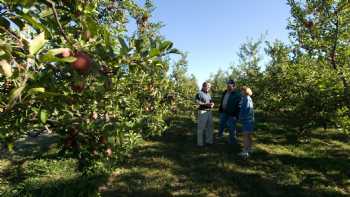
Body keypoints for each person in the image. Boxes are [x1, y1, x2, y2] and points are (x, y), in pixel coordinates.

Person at [218, 79, 241, 145]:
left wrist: (236, 115)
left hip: (232, 114)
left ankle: (232, 141)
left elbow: (239, 106)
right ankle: (220, 135)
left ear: (234, 86)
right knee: (221, 124)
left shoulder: (237, 94)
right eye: (227, 85)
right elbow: (223, 100)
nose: (228, 87)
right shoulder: (225, 92)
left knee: (231, 127)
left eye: (229, 86)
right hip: (224, 111)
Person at [195, 82, 214, 147]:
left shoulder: (208, 94)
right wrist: (206, 104)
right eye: (208, 87)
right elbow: (197, 103)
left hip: (209, 112)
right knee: (201, 128)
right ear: (203, 86)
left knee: (210, 127)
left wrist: (212, 104)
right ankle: (200, 144)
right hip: (202, 112)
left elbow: (211, 101)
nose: (209, 88)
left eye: (209, 87)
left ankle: (209, 141)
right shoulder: (199, 93)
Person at [238, 86, 255, 157]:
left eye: (241, 91)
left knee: (245, 136)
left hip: (247, 120)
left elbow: (246, 110)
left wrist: (240, 117)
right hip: (250, 120)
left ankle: (245, 151)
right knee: (249, 135)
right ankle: (250, 149)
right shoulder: (249, 98)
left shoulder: (246, 99)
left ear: (245, 91)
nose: (240, 92)